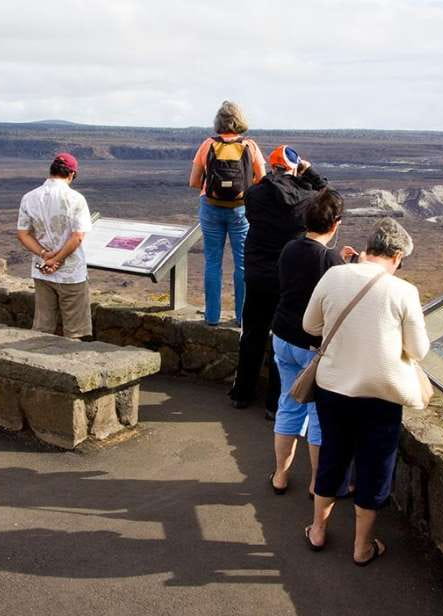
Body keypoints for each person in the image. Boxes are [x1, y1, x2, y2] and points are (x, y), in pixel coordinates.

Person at [302, 218, 428, 566]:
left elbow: (309, 325)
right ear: (398, 255)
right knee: (375, 467)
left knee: (332, 456)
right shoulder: (403, 292)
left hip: (333, 389)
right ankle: (362, 547)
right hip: (381, 396)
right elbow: (419, 350)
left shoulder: (334, 275)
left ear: (369, 246)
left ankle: (317, 530)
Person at [229, 145, 329, 415]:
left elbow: (259, 190)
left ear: (273, 167)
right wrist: (309, 172)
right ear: (294, 168)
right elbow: (328, 196)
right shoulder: (307, 198)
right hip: (288, 278)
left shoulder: (254, 195)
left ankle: (241, 393)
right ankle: (274, 404)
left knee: (252, 333)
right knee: (280, 337)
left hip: (257, 274)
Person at [269, 189, 356, 497]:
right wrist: (347, 265)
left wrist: (340, 262)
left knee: (288, 404)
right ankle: (317, 482)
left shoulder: (290, 248)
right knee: (318, 415)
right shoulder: (329, 259)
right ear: (336, 223)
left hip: (282, 336)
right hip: (311, 347)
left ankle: (280, 474)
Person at [187, 101, 266, 326]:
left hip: (210, 208)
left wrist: (213, 186)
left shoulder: (207, 145)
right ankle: (242, 318)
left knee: (212, 262)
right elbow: (262, 179)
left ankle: (212, 317)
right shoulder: (250, 146)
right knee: (242, 263)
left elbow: (193, 181)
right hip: (241, 210)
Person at [16, 153, 94, 340]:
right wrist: (57, 260)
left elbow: (23, 234)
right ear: (71, 174)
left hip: (42, 270)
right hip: (71, 273)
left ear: (51, 171)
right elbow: (77, 237)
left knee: (43, 327)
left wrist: (45, 256)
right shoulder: (75, 199)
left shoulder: (29, 197)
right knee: (76, 331)